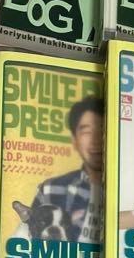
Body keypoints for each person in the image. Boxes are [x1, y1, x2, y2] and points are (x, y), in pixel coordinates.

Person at [24, 95, 104, 243]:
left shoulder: (133, 192)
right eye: (87, 132)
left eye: (104, 131)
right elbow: (29, 241)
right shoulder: (50, 189)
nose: (96, 140)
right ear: (74, 140)